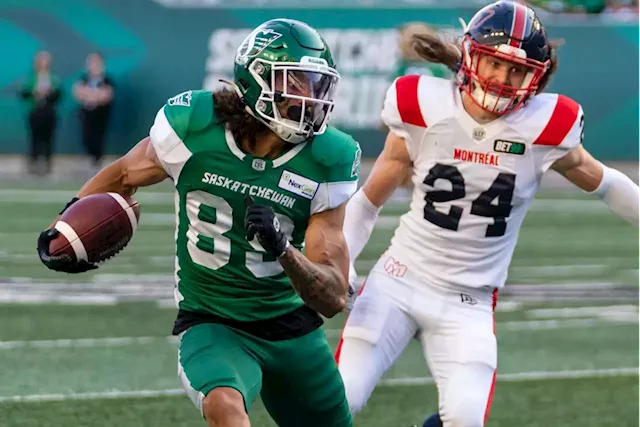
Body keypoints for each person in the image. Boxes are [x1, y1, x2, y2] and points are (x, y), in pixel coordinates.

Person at [37, 18, 361, 427]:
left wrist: (284, 250)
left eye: (317, 86)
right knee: (225, 407)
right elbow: (122, 175)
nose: (311, 99)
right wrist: (63, 228)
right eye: (296, 84)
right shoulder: (195, 126)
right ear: (258, 83)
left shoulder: (327, 156)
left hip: (292, 327)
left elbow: (332, 298)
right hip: (214, 320)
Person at [335, 2, 639, 427]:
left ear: (536, 76)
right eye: (496, 64)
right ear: (472, 55)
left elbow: (605, 182)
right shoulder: (424, 107)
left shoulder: (544, 125)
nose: (503, 79)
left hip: (469, 301)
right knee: (337, 402)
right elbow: (368, 202)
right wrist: (343, 262)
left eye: (517, 71)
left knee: (464, 418)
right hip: (398, 282)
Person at [20, 50, 62, 176]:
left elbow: (58, 94)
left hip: (48, 112)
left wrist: (48, 93)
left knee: (48, 138)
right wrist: (35, 92)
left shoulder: (53, 77)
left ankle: (47, 164)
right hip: (35, 111)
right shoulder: (31, 77)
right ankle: (33, 163)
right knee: (34, 138)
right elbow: (24, 93)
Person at [73, 52, 114, 170]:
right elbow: (78, 92)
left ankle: (98, 160)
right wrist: (90, 95)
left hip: (101, 114)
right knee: (87, 136)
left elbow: (107, 95)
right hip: (86, 114)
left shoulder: (107, 79)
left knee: (99, 136)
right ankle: (88, 158)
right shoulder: (84, 78)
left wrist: (93, 96)